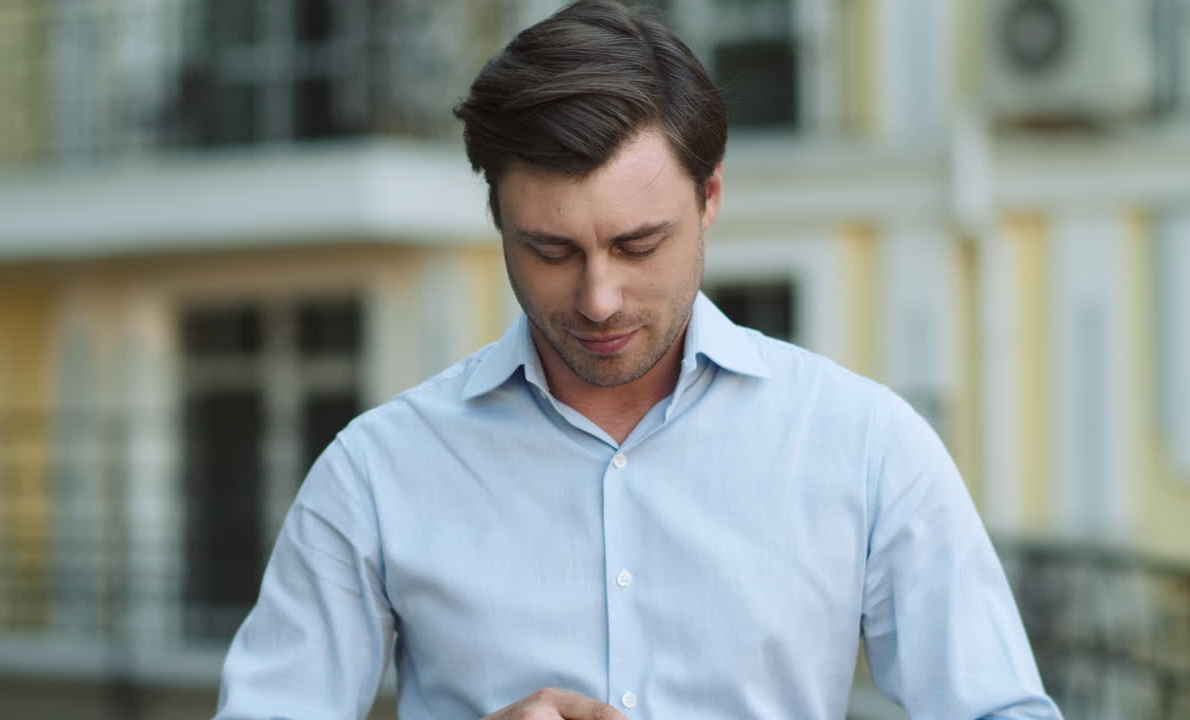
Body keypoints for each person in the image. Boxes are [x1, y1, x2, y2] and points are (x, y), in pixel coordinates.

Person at [214, 2, 1062, 718]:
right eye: (550, 250)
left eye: (638, 244)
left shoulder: (867, 446)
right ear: (496, 222)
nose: (598, 298)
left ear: (711, 198)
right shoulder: (374, 473)